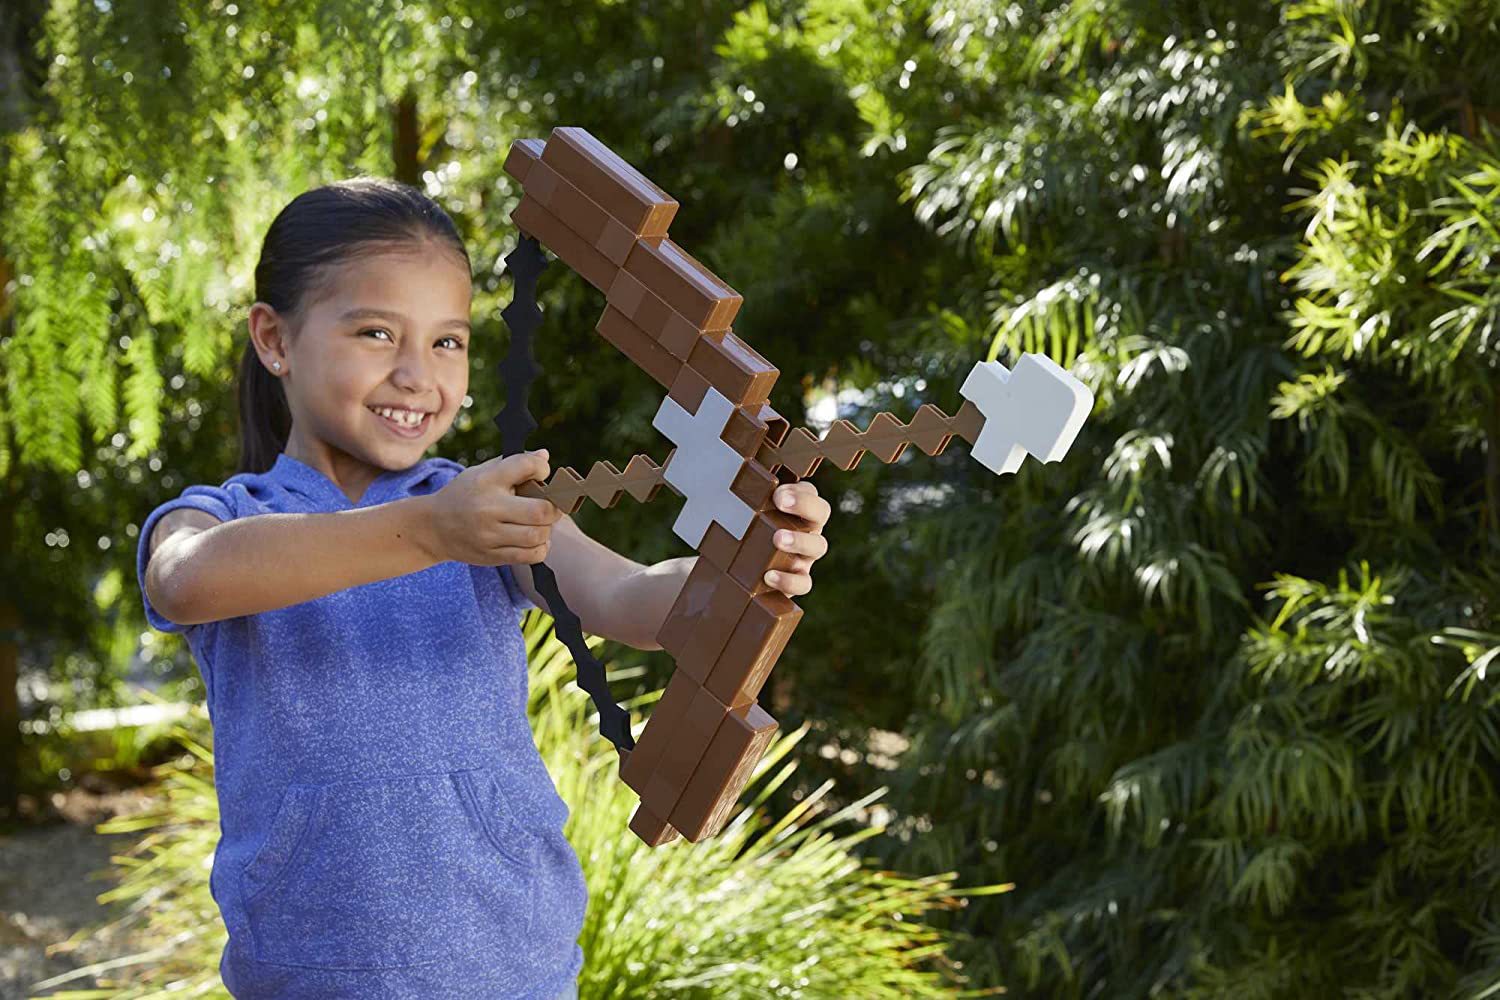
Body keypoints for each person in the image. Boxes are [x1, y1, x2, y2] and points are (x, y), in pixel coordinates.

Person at [133, 176, 831, 999]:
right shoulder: (229, 516)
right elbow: (184, 581)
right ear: (274, 340)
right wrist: (430, 531)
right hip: (307, 973)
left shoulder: (488, 512)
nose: (416, 375)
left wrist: (743, 571)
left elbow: (630, 597)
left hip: (512, 965)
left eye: (447, 342)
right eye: (375, 332)